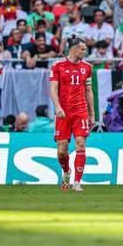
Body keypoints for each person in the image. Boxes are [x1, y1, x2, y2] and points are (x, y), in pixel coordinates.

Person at [49, 38, 95, 192]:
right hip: (63, 113)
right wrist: (57, 107)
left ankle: (77, 182)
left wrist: (92, 114)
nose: (85, 52)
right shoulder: (57, 66)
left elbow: (89, 91)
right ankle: (67, 171)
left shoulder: (87, 68)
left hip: (80, 112)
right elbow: (53, 89)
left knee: (81, 143)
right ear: (74, 49)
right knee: (62, 151)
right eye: (83, 49)